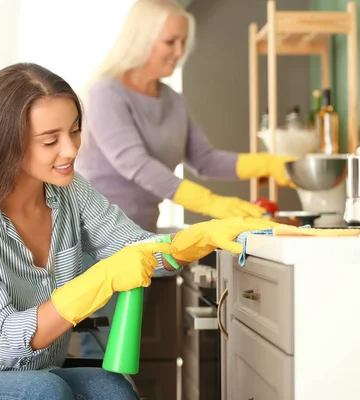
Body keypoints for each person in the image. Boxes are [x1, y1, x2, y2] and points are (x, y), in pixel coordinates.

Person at [0, 62, 284, 400]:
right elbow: (2, 341)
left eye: (75, 131)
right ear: (6, 144)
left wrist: (199, 238)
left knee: (113, 389)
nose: (70, 150)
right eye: (50, 140)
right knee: (44, 392)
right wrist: (99, 280)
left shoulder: (71, 193)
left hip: (35, 374)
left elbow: (141, 252)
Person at [74, 0, 296, 357]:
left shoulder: (173, 101)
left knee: (123, 348)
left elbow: (205, 159)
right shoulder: (106, 94)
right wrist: (212, 203)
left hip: (139, 238)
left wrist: (268, 164)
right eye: (171, 42)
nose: (179, 52)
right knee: (104, 350)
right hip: (96, 240)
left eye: (183, 43)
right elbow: (134, 162)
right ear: (142, 39)